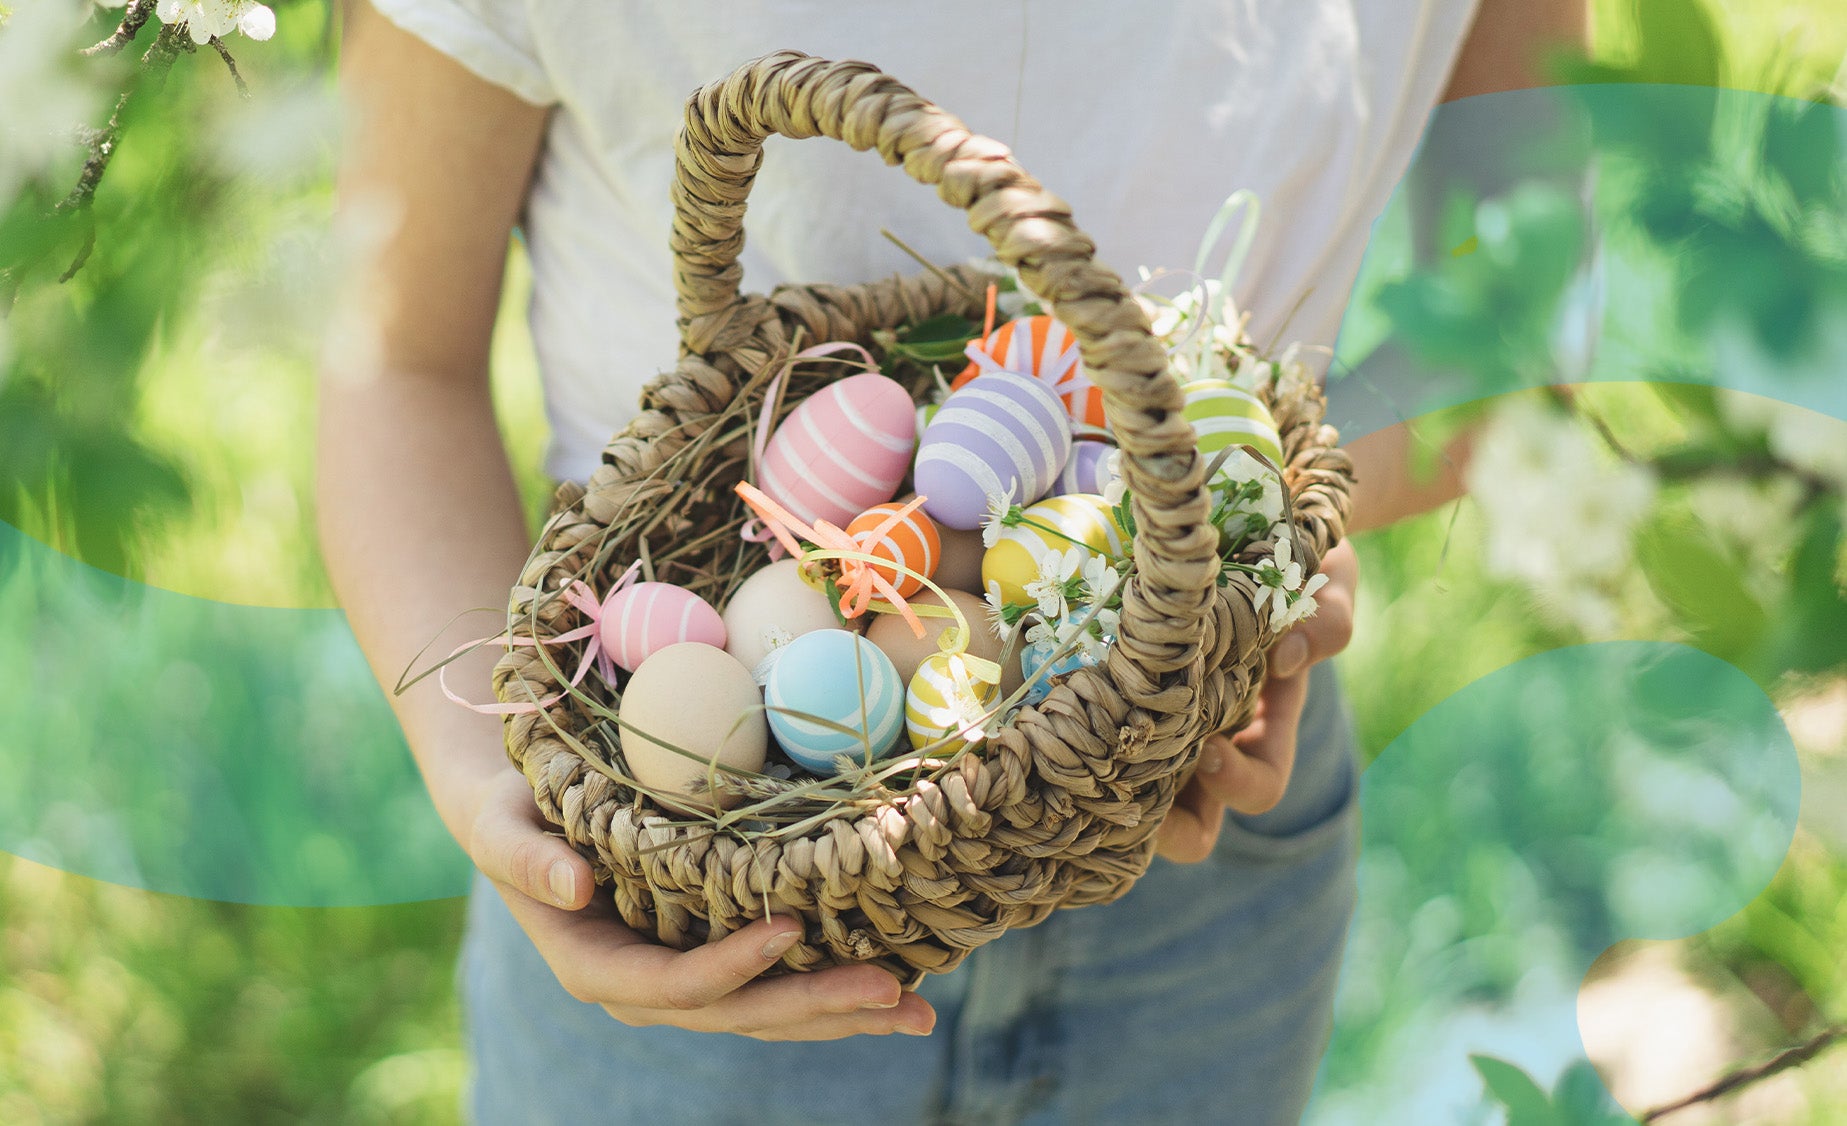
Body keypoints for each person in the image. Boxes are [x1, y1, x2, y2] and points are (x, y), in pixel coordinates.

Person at [317, 1, 1585, 1121]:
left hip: (1198, 817)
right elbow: (394, 362)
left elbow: (1514, 318)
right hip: (697, 891)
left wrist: (1266, 553)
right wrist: (504, 789)